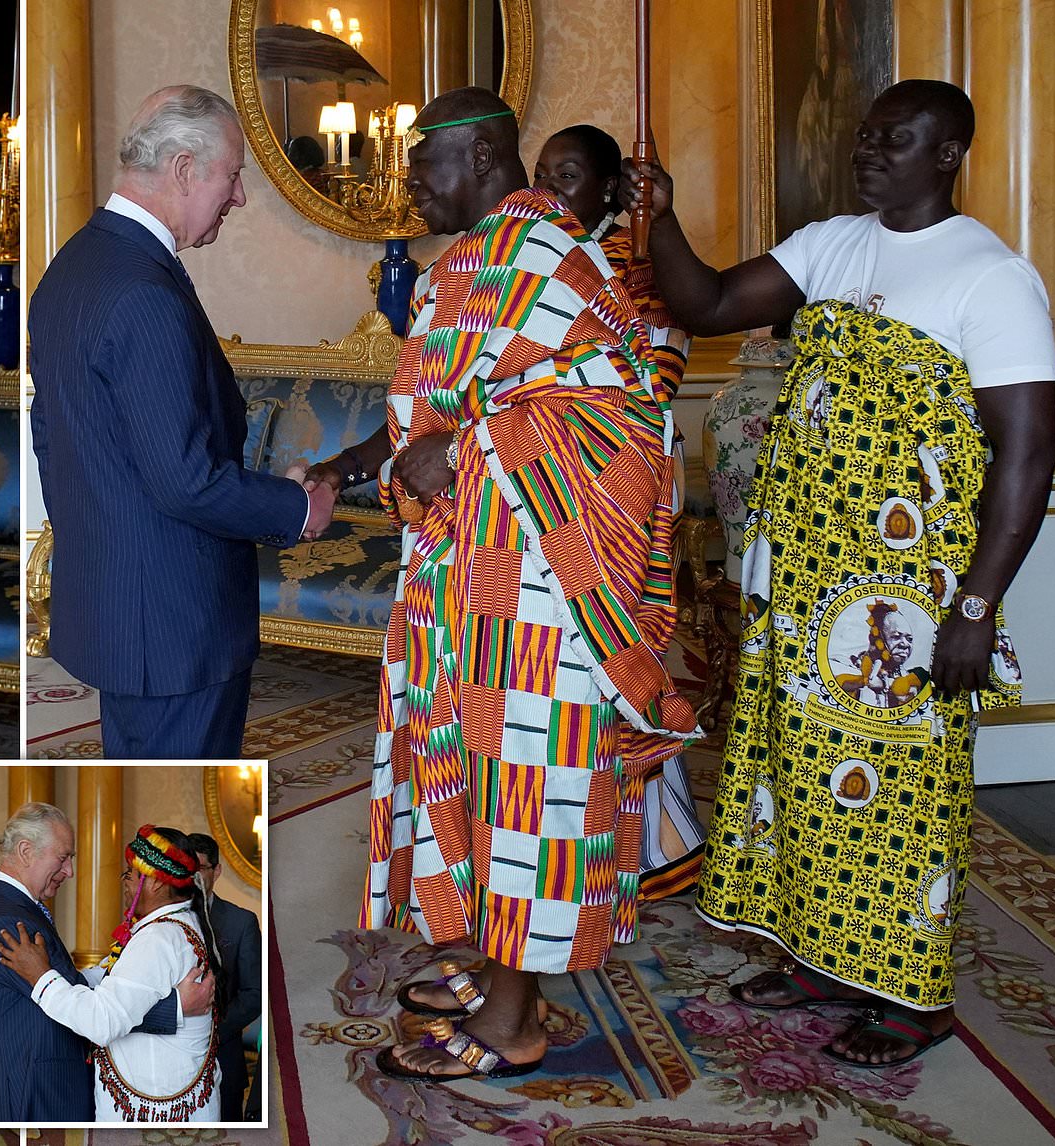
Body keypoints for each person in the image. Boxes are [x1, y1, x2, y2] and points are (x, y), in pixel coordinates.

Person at [625, 79, 1055, 1066]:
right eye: (866, 138)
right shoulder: (832, 241)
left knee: (897, 790)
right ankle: (817, 960)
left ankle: (912, 1003)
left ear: (947, 154)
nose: (870, 153)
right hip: (802, 578)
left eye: (895, 141)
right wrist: (662, 217)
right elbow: (713, 302)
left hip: (910, 599)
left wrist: (977, 609)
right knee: (802, 778)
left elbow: (1029, 452)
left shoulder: (991, 278)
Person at [302, 88, 697, 1082]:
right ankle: (487, 959)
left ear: (479, 156)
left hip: (540, 594)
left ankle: (513, 1019)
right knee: (472, 779)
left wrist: (470, 443)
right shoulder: (468, 266)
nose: (408, 193)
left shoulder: (551, 257)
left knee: (533, 792)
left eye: (419, 170)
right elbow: (439, 405)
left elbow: (627, 414)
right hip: (459, 581)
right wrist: (411, 454)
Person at [29, 85, 335, 759]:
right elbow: (184, 481)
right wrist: (292, 504)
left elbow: (55, 441)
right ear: (185, 170)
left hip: (123, 607)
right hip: (174, 626)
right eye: (232, 174)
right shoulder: (144, 291)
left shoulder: (72, 268)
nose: (239, 196)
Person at [533, 123, 706, 897]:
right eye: (541, 173)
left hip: (621, 488)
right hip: (547, 487)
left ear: (610, 189)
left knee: (616, 654)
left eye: (566, 175)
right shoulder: (530, 268)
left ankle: (649, 851)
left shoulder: (636, 274)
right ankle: (573, 843)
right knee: (561, 662)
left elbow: (653, 381)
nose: (547, 189)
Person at [0, 804, 212, 1122]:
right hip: (31, 1096)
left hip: (45, 1091)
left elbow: (73, 990)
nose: (70, 872)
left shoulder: (17, 909)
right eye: (63, 857)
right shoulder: (9, 923)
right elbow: (93, 1012)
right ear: (26, 851)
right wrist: (174, 1007)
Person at [185, 833, 261, 1120]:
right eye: (185, 870)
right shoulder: (162, 918)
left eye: (199, 869)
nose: (191, 877)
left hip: (222, 1054)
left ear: (216, 870)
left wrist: (211, 1030)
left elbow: (254, 993)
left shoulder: (241, 922)